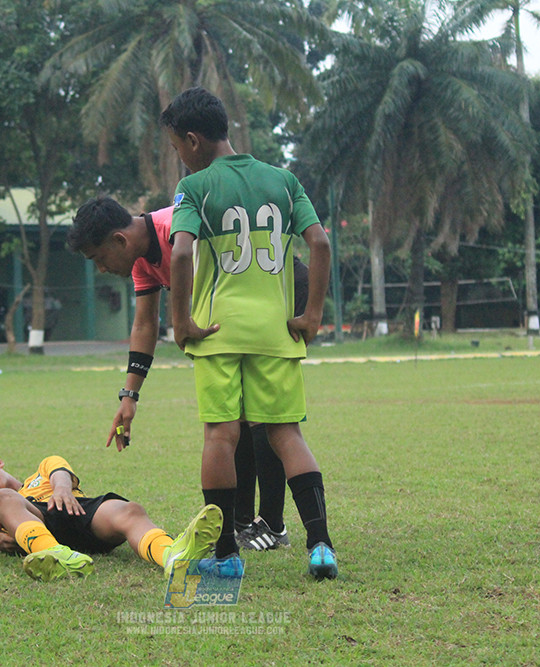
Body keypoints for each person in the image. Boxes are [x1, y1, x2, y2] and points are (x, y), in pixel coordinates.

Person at [160, 87, 337, 579]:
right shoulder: (283, 181)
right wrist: (313, 314)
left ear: (193, 141)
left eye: (177, 147)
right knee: (286, 433)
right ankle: (320, 545)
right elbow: (319, 242)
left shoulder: (194, 188)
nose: (180, 156)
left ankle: (226, 555)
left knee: (221, 434)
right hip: (276, 331)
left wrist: (180, 323)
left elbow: (178, 254)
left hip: (216, 332)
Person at [66, 196, 300, 552]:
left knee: (262, 419)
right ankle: (241, 522)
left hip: (277, 293)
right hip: (235, 319)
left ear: (119, 239)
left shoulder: (178, 226)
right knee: (233, 419)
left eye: (98, 259)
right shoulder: (142, 260)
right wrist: (129, 396)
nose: (101, 269)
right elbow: (145, 324)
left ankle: (272, 524)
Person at [0, 445, 222, 582]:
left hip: (77, 510)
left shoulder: (43, 468)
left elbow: (61, 472)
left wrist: (61, 489)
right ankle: (55, 554)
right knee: (4, 497)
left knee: (129, 511)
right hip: (39, 523)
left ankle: (171, 556)